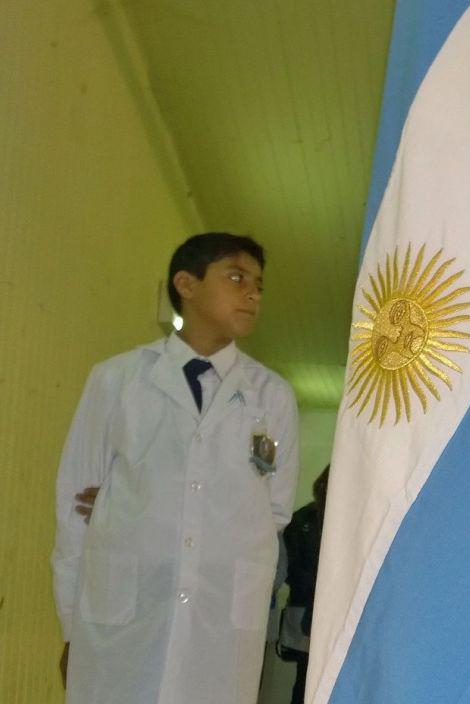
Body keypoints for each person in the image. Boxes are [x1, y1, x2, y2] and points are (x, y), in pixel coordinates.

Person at [51, 232, 299, 704]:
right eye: (236, 277)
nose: (253, 293)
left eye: (259, 285)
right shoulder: (117, 379)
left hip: (220, 622)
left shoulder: (273, 395)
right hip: (122, 616)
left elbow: (275, 511)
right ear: (186, 283)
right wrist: (71, 623)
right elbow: (74, 504)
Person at [281, 466, 328, 704]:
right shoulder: (302, 520)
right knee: (304, 680)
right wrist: (321, 590)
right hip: (306, 613)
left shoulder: (350, 522)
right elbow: (290, 569)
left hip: (327, 615)